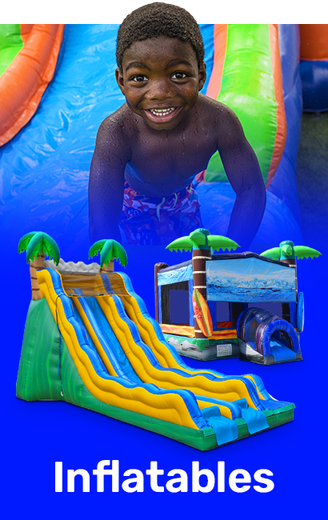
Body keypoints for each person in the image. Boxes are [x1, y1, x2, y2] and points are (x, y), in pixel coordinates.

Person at [88, 3, 266, 249]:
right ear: (121, 81)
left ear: (201, 75)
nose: (160, 93)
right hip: (133, 200)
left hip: (181, 197)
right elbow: (102, 225)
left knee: (190, 266)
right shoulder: (117, 133)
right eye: (140, 78)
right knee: (142, 266)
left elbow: (251, 190)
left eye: (179, 75)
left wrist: (232, 253)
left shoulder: (217, 122)